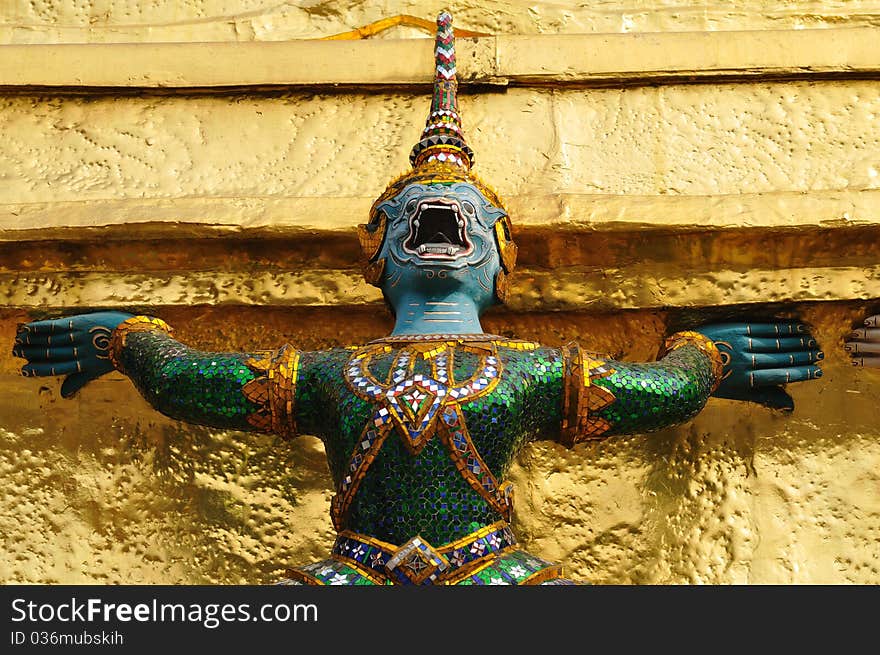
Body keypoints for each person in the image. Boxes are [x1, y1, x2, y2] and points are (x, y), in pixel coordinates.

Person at [12, 11, 824, 585]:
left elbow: (664, 393)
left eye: (464, 215)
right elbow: (198, 382)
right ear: (378, 250)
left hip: (495, 572)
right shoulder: (332, 373)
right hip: (350, 573)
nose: (439, 219)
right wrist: (131, 343)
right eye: (414, 214)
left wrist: (706, 358)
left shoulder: (529, 372)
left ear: (499, 257)